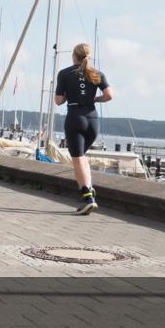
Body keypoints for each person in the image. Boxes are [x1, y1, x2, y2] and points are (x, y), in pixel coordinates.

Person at [54, 43, 114, 215]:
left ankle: (88, 198)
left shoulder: (64, 73)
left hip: (75, 118)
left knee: (78, 158)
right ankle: (89, 189)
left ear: (74, 56)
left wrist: (68, 94)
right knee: (81, 158)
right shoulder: (97, 73)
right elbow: (109, 95)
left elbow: (58, 101)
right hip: (92, 120)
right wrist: (94, 99)